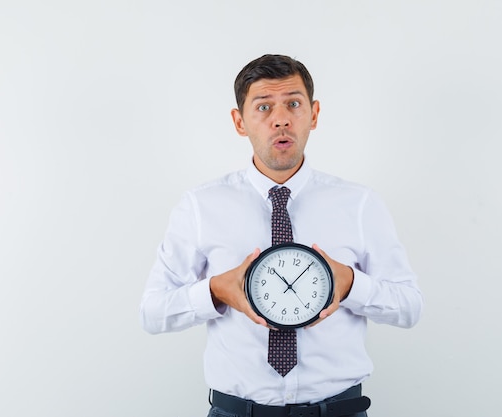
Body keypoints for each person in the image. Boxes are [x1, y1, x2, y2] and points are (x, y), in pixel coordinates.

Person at [139, 54, 423, 417]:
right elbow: (152, 311)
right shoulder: (200, 206)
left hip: (339, 410)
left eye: (293, 104)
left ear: (314, 114)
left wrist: (352, 284)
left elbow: (410, 306)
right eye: (263, 107)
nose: (281, 119)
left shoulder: (360, 204)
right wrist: (214, 291)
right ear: (239, 122)